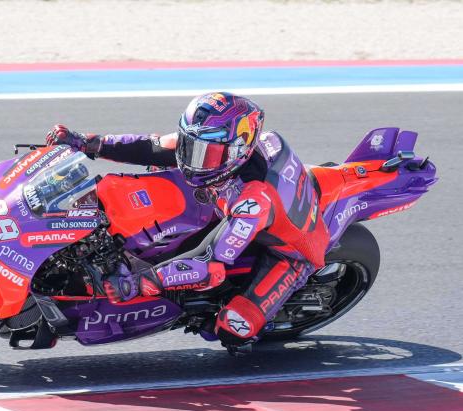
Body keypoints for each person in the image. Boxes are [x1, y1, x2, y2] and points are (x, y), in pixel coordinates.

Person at [45, 92, 330, 349]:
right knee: (158, 170)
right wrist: (85, 142)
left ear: (237, 151)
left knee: (234, 328)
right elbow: (149, 146)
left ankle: (211, 313)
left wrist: (138, 284)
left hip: (289, 254)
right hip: (228, 207)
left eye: (208, 154)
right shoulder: (209, 146)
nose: (194, 160)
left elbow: (210, 265)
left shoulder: (253, 202)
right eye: (190, 146)